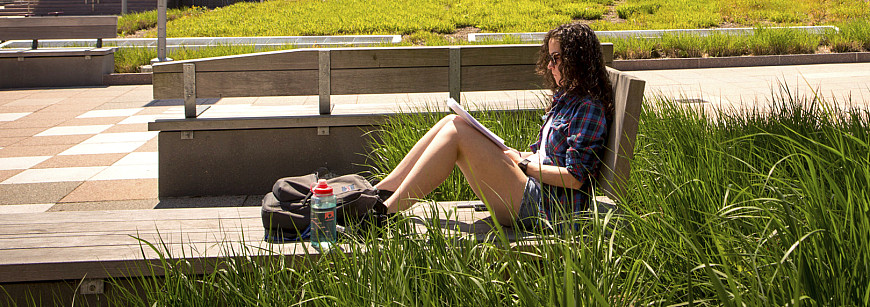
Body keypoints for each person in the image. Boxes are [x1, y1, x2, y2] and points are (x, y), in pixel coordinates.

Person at [374, 22, 613, 229]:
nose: (550, 66)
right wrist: (520, 156)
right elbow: (548, 155)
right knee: (452, 121)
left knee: (457, 133)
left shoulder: (588, 108)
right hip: (536, 191)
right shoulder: (567, 99)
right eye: (549, 58)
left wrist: (524, 165)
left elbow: (575, 178)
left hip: (547, 208)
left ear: (577, 61)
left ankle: (382, 213)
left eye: (556, 58)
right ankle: (381, 192)